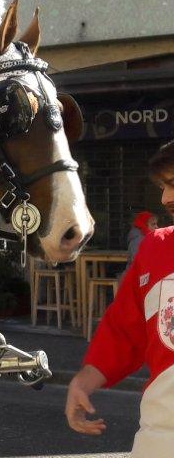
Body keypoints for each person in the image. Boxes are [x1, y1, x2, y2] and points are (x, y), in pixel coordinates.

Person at [65, 139, 174, 456]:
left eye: (173, 184)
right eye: (163, 187)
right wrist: (83, 381)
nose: (165, 198)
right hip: (161, 437)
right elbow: (123, 330)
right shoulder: (154, 248)